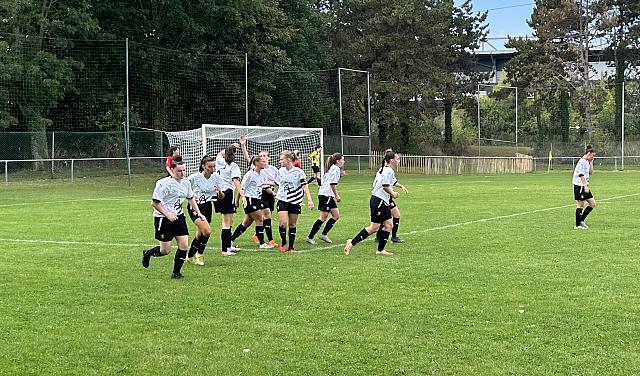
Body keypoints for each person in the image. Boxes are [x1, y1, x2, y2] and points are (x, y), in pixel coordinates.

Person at [142, 159, 205, 279]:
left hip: (179, 216)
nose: (182, 173)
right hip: (163, 218)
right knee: (165, 250)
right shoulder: (163, 183)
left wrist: (199, 213)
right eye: (179, 171)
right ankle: (148, 253)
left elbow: (190, 198)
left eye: (184, 170)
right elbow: (155, 203)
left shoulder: (186, 183)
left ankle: (176, 273)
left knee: (184, 245)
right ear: (171, 170)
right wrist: (168, 215)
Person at [344, 150, 400, 257]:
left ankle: (380, 250)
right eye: (397, 159)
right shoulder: (388, 171)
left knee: (389, 225)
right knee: (374, 227)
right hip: (378, 201)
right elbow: (385, 185)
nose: (398, 161)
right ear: (391, 160)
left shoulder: (385, 170)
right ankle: (351, 243)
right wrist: (393, 193)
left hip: (382, 201)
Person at [239, 137, 279, 247]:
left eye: (265, 156)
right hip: (258, 196)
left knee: (250, 221)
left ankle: (256, 235)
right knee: (264, 217)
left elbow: (276, 182)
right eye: (261, 156)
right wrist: (243, 146)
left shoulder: (273, 169)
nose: (263, 158)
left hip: (268, 193)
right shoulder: (254, 170)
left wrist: (273, 192)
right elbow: (248, 158)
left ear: (269, 158)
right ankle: (267, 241)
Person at [228, 155, 275, 248]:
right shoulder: (249, 174)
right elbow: (241, 188)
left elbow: (264, 187)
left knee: (246, 223)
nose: (264, 163)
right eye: (262, 161)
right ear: (256, 163)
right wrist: (237, 201)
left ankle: (230, 239)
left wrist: (273, 193)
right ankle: (262, 243)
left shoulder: (263, 173)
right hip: (250, 199)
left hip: (258, 199)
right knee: (260, 219)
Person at [185, 155, 223, 266]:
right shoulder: (195, 177)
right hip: (195, 208)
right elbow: (183, 187)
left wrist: (219, 191)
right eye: (210, 166)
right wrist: (191, 197)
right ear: (203, 166)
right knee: (207, 231)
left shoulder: (216, 177)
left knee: (200, 234)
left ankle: (190, 255)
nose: (212, 169)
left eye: (213, 166)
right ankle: (199, 255)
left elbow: (221, 197)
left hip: (207, 207)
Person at [275, 150, 314, 253]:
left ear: (288, 160)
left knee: (292, 224)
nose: (280, 161)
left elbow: (305, 186)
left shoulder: (299, 172)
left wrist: (309, 200)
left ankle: (291, 247)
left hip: (295, 201)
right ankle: (283, 242)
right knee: (283, 223)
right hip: (282, 199)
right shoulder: (281, 171)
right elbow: (276, 183)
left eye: (281, 159)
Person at [306, 153, 344, 245]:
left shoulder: (334, 168)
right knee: (323, 217)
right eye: (342, 159)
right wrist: (337, 195)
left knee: (336, 215)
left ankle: (323, 234)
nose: (344, 161)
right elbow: (332, 184)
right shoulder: (335, 169)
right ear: (337, 161)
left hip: (327, 195)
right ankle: (310, 237)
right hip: (325, 195)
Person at [216, 142, 245, 255]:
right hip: (227, 194)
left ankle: (228, 245)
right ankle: (225, 250)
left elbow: (220, 153)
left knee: (230, 220)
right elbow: (236, 181)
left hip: (220, 194)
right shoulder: (233, 166)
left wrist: (231, 146)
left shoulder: (219, 161)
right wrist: (243, 196)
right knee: (226, 223)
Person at [573, 146, 597, 230]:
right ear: (588, 153)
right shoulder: (582, 162)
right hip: (580, 185)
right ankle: (577, 225)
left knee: (592, 203)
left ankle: (581, 220)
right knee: (580, 205)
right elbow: (581, 174)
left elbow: (591, 172)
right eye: (592, 156)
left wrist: (591, 162)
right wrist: (585, 186)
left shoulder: (587, 161)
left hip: (584, 185)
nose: (593, 157)